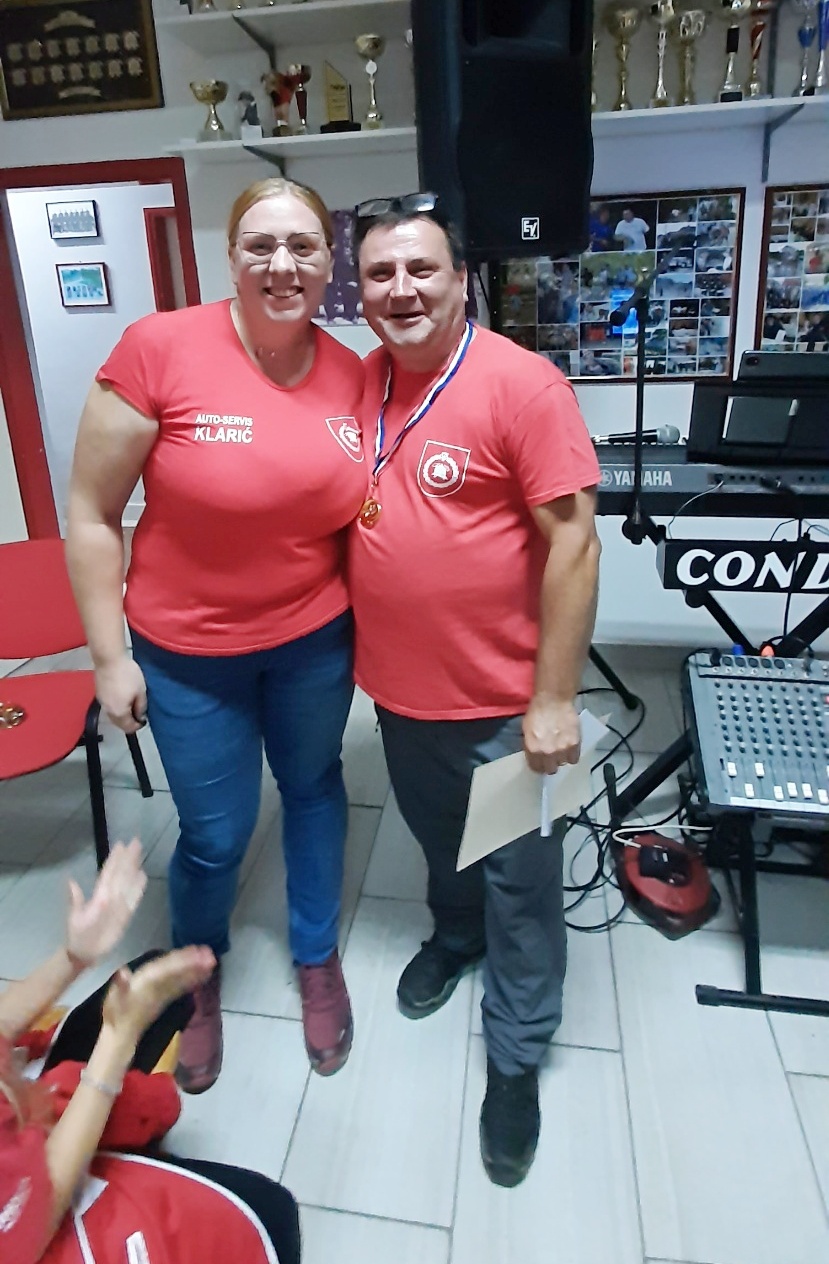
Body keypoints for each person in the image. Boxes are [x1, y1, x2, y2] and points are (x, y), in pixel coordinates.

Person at [66, 177, 365, 1094]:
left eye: (303, 245)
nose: (282, 264)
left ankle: (315, 955)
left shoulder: (353, 372)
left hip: (313, 640)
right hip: (188, 655)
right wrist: (108, 656)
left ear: (328, 261)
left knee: (312, 790)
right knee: (214, 832)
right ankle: (196, 972)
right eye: (260, 245)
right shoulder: (159, 349)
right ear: (229, 258)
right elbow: (91, 513)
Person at [348, 193, 601, 1187]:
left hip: (507, 709)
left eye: (422, 269)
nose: (401, 288)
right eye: (380, 272)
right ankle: (453, 940)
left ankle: (516, 1053)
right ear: (360, 290)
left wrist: (555, 699)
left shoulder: (523, 385)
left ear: (462, 279)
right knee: (439, 844)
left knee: (523, 887)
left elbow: (575, 546)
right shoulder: (363, 381)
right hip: (401, 696)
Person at [0, 840, 301, 1264]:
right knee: (270, 1214)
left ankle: (139, 1136)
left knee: (162, 984)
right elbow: (37, 1215)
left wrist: (74, 956)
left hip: (25, 1121)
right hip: (36, 1225)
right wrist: (117, 1038)